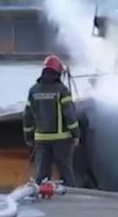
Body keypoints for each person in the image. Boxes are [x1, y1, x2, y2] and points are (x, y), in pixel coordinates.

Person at [23, 54, 80, 187]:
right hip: (61, 139)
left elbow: (27, 117)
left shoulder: (33, 90)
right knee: (66, 171)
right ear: (58, 72)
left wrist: (28, 137)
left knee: (42, 174)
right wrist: (76, 134)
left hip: (41, 139)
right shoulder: (62, 90)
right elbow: (70, 115)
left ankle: (40, 194)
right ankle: (71, 195)